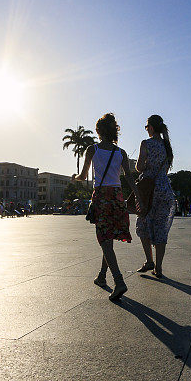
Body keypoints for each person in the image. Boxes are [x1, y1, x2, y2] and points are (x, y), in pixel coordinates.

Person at [73, 113, 140, 301]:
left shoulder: (92, 149)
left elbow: (84, 174)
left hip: (102, 197)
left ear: (99, 131)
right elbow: (129, 177)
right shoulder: (122, 152)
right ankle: (102, 276)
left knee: (104, 239)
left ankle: (119, 282)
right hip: (117, 197)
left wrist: (75, 178)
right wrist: (138, 197)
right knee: (109, 238)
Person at [135, 114, 177, 279]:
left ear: (151, 127)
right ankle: (158, 268)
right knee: (160, 229)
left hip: (149, 191)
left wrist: (146, 166)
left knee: (143, 225)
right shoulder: (167, 147)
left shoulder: (146, 144)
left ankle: (149, 261)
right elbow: (165, 171)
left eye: (146, 127)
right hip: (164, 190)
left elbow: (139, 167)